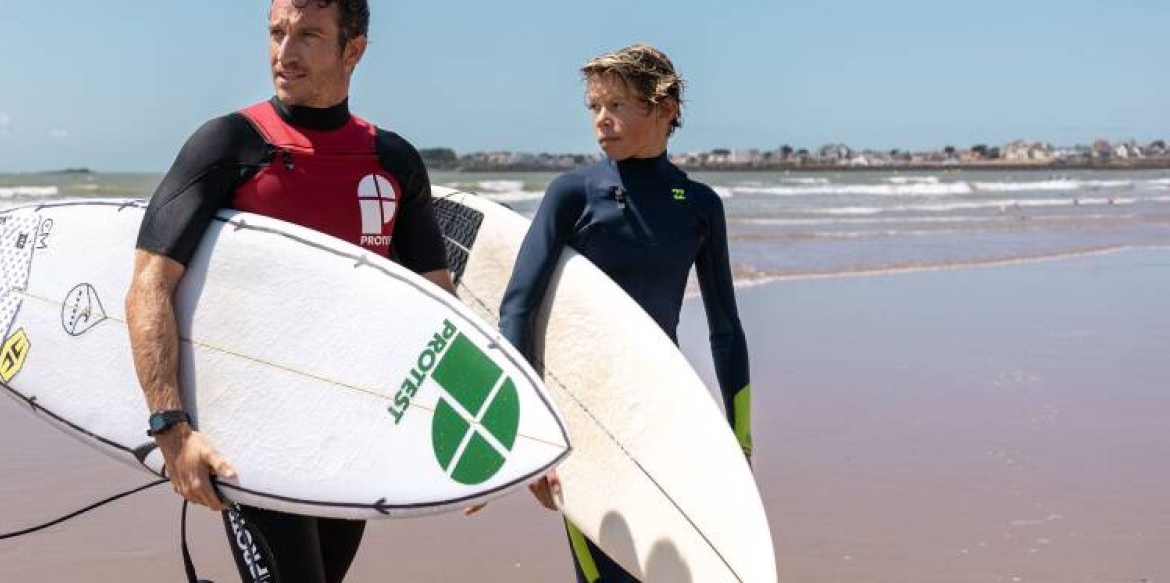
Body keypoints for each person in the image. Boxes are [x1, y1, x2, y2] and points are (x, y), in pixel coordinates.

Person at [124, 1, 452, 582]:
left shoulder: (393, 161)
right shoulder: (229, 144)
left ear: (354, 50)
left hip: (353, 426)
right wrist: (171, 429)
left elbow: (436, 309)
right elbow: (150, 284)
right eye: (276, 33)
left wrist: (466, 456)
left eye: (307, 36)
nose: (285, 53)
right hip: (250, 429)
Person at [497, 44, 753, 583]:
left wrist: (740, 438)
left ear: (663, 109)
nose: (601, 121)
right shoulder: (574, 194)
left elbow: (725, 330)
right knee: (603, 573)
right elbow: (517, 307)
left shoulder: (701, 205)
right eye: (594, 107)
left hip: (661, 413)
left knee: (665, 567)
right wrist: (532, 438)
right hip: (582, 418)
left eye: (616, 105)